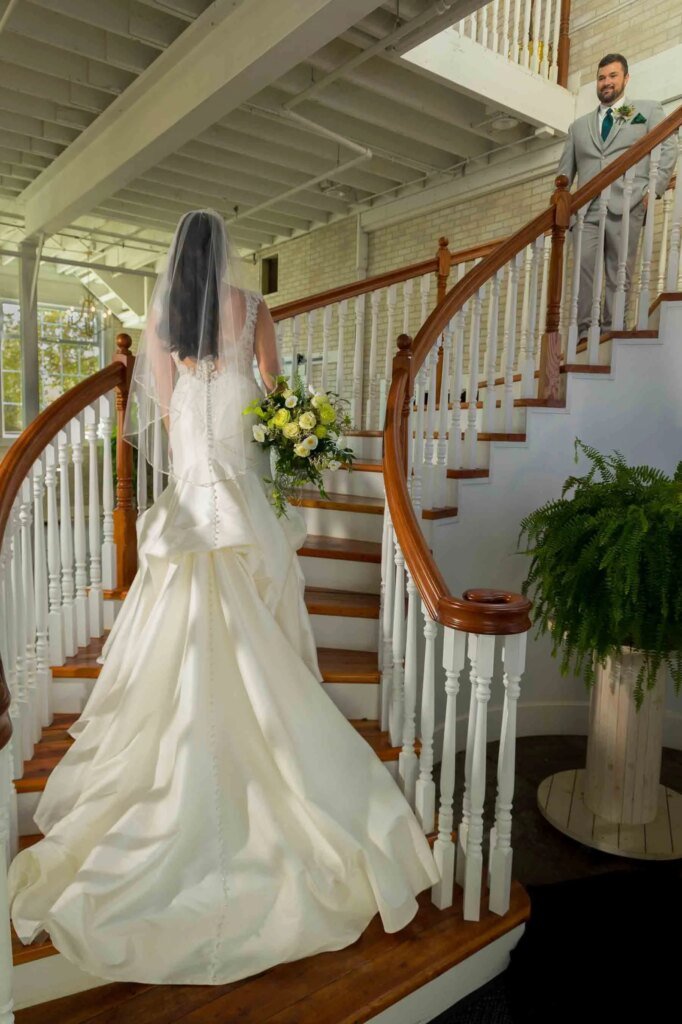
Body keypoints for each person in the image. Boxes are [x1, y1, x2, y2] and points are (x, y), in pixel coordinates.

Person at [8, 210, 439, 986]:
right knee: (259, 631)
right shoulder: (259, 312)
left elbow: (170, 419)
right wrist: (301, 428)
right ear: (227, 257)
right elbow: (277, 396)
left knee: (174, 642)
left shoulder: (164, 323)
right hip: (238, 502)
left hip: (192, 504)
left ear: (179, 261)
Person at [557, 53, 676, 339]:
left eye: (612, 76)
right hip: (586, 211)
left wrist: (654, 188)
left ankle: (613, 330)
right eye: (601, 78)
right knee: (583, 273)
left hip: (628, 204)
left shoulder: (644, 111)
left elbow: (669, 147)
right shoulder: (579, 127)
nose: (606, 82)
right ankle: (584, 333)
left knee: (619, 272)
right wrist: (563, 211)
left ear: (625, 78)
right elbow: (564, 174)